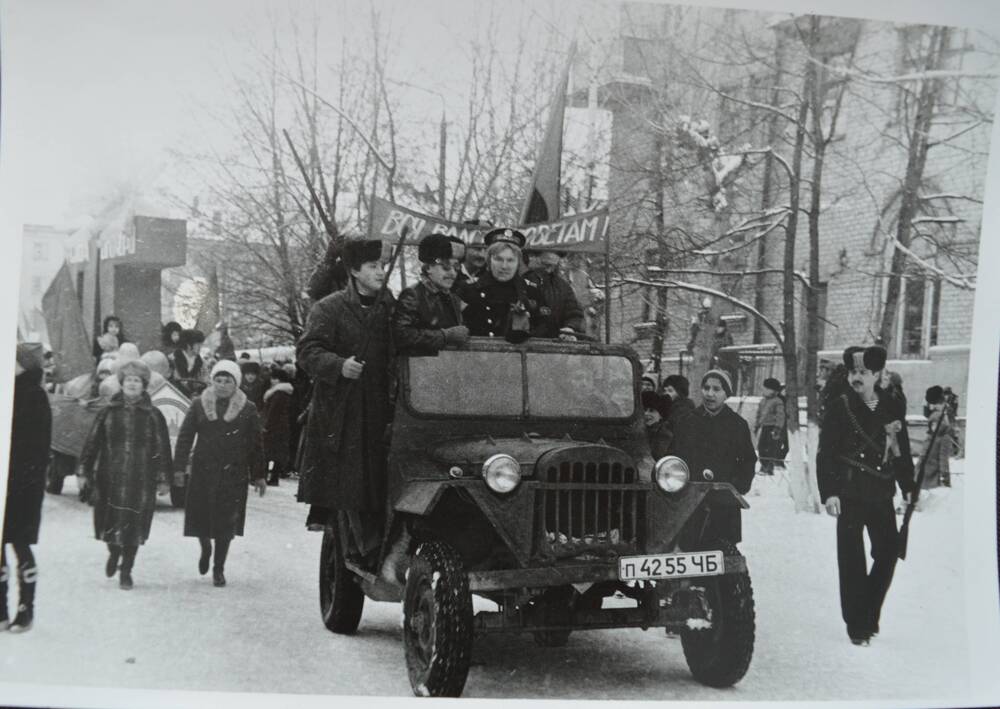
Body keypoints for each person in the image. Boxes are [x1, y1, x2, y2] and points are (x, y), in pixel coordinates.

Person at [296, 239, 395, 575]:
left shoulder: (389, 307)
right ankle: (361, 552)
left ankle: (380, 550)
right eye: (372, 266)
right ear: (354, 271)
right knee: (351, 486)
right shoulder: (328, 309)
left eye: (382, 265)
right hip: (344, 413)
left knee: (379, 483)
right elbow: (308, 351)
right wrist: (338, 365)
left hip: (381, 408)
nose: (380, 272)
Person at [816, 345, 916, 647]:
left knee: (888, 552)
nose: (856, 377)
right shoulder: (840, 406)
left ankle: (868, 612)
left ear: (876, 374)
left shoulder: (892, 407)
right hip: (848, 492)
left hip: (881, 491)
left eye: (862, 372)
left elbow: (902, 450)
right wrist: (829, 492)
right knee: (851, 559)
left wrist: (908, 486)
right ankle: (857, 625)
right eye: (852, 372)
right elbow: (826, 453)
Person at [79, 360, 173, 590]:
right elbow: (92, 443)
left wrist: (163, 479)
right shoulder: (108, 412)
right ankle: (113, 552)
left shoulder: (153, 415)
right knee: (107, 521)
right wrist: (83, 472)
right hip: (109, 478)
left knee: (135, 526)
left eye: (137, 380)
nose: (132, 384)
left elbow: (162, 449)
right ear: (121, 383)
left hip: (141, 480)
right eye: (128, 380)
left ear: (144, 385)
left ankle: (127, 570)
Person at [173, 360, 267, 587]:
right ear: (211, 381)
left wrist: (259, 475)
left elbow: (256, 444)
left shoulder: (248, 409)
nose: (222, 385)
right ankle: (205, 548)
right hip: (203, 471)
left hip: (233, 474)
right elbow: (185, 438)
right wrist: (178, 469)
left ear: (236, 383)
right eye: (218, 380)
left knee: (226, 523)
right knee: (201, 517)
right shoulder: (198, 404)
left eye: (228, 381)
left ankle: (219, 568)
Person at [668, 369, 756, 543]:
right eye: (706, 388)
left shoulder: (737, 425)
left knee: (723, 555)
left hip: (724, 505)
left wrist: (736, 487)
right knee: (686, 550)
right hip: (687, 503)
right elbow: (672, 458)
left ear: (727, 394)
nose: (710, 394)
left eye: (717, 389)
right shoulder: (687, 421)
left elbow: (748, 461)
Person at [2, 344, 53, 631]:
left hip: (23, 483)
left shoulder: (34, 396)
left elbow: (38, 445)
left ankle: (25, 608)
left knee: (20, 545)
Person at [458, 228, 547, 343]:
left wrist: (527, 334)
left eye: (510, 260)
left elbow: (546, 327)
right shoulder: (469, 290)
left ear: (518, 262)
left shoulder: (531, 291)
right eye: (498, 259)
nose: (504, 266)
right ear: (489, 260)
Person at [393, 233, 468, 355]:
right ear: (428, 268)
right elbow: (401, 335)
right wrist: (444, 335)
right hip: (420, 368)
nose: (453, 273)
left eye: (456, 267)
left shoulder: (453, 298)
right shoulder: (413, 295)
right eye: (446, 266)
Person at [524, 249, 585, 339]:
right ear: (533, 258)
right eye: (544, 265)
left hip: (553, 344)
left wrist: (570, 328)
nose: (548, 270)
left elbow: (574, 314)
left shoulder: (563, 287)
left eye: (552, 266)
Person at [261, 367, 294, 486]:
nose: (271, 381)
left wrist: (266, 425)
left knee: (266, 451)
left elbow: (273, 411)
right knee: (277, 453)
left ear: (279, 380)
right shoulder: (286, 391)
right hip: (282, 426)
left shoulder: (278, 393)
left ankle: (263, 476)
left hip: (274, 426)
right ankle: (274, 478)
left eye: (274, 378)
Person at [919, 385, 953, 490]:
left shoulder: (937, 416)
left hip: (927, 468)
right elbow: (943, 455)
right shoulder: (941, 415)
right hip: (932, 471)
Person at [754, 377, 788, 475]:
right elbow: (759, 414)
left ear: (772, 390)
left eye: (765, 388)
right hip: (765, 427)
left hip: (773, 427)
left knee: (771, 448)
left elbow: (780, 415)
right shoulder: (763, 401)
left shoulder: (777, 401)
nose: (763, 390)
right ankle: (764, 465)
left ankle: (769, 468)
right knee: (761, 447)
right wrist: (757, 425)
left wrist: (778, 428)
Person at [173, 329, 206, 396]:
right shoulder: (174, 359)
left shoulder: (200, 362)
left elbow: (204, 381)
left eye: (201, 344)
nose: (200, 347)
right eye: (198, 344)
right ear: (188, 345)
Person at [642, 391, 672, 459]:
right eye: (644, 410)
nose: (646, 413)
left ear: (661, 415)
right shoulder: (641, 430)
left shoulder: (663, 434)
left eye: (651, 410)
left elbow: (657, 456)